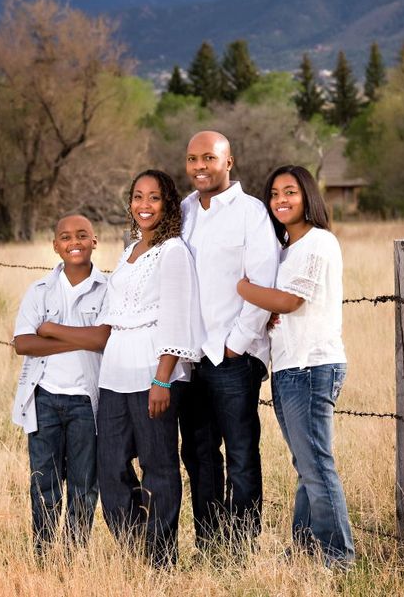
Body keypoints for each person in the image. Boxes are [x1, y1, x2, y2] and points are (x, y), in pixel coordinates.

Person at [235, 165, 355, 568]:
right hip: (289, 368)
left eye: (290, 192)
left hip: (312, 365)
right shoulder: (287, 249)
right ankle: (305, 549)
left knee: (317, 463)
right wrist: (271, 307)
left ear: (307, 196)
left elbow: (290, 302)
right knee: (304, 464)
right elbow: (282, 304)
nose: (281, 200)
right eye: (274, 194)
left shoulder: (319, 242)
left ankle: (338, 557)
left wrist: (245, 288)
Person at [178, 131, 280, 552]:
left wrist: (236, 344)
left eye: (209, 158)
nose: (200, 166)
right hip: (190, 355)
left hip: (233, 355)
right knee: (199, 454)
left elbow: (263, 281)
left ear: (229, 162)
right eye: (191, 159)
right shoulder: (183, 210)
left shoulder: (250, 212)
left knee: (240, 452)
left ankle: (242, 545)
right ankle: (211, 543)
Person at [96, 169, 203, 568]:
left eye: (154, 198)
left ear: (168, 204)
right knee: (110, 464)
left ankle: (160, 560)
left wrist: (163, 377)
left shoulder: (173, 251)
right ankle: (133, 543)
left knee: (158, 466)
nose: (144, 205)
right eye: (138, 197)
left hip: (151, 370)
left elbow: (177, 316)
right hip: (115, 370)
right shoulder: (129, 250)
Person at [11, 214, 110, 559]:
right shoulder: (39, 291)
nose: (75, 242)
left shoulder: (107, 289)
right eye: (66, 237)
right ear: (55, 246)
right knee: (43, 482)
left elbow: (103, 337)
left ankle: (72, 555)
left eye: (83, 235)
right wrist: (79, 340)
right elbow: (23, 343)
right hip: (45, 399)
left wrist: (51, 329)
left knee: (84, 485)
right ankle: (43, 553)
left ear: (94, 241)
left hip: (87, 402)